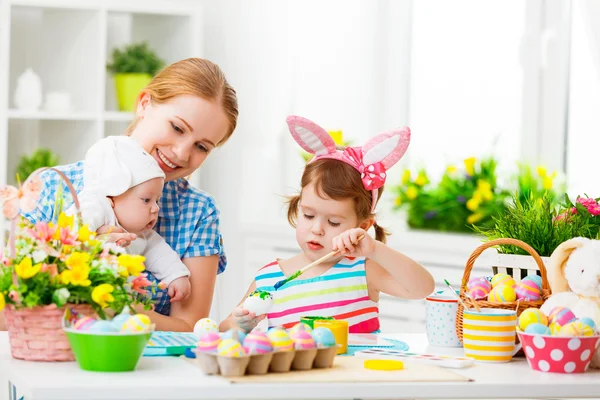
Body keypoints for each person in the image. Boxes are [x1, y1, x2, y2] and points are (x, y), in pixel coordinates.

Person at [20, 58, 238, 331]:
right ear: (144, 104)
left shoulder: (198, 211)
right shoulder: (52, 187)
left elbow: (190, 328)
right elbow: (13, 307)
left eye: (202, 147)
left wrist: (117, 308)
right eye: (177, 127)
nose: (182, 153)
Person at [220, 115, 434, 333]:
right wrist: (240, 324)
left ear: (362, 227)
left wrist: (375, 250)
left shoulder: (362, 270)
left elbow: (422, 288)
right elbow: (224, 327)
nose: (317, 229)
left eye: (333, 222)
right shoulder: (269, 279)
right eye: (309, 215)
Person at [68, 135, 191, 302]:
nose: (156, 208)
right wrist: (94, 241)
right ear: (112, 196)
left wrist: (176, 276)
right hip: (81, 296)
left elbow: (160, 253)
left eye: (157, 200)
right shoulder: (95, 207)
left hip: (120, 303)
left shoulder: (142, 235)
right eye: (146, 200)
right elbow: (70, 233)